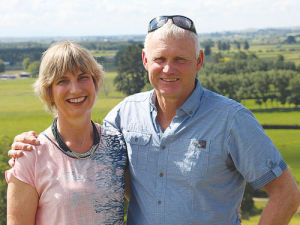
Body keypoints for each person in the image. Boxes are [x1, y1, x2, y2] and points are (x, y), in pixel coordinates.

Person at [8, 15, 300, 224]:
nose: (168, 69)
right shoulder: (123, 115)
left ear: (198, 61)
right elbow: (86, 156)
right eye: (160, 59)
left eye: (180, 60)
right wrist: (30, 146)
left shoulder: (232, 120)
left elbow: (286, 193)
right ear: (146, 60)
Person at [6, 41, 128, 224]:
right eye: (63, 81)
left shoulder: (117, 145)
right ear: (49, 92)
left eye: (83, 77)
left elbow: (149, 201)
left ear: (95, 82)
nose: (75, 89)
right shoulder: (30, 155)